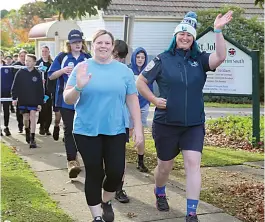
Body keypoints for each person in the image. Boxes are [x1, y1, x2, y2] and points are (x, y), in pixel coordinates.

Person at [136, 11, 233, 222]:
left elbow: (221, 57)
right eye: (182, 34)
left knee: (192, 164)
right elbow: (140, 82)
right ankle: (159, 191)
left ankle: (191, 213)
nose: (185, 38)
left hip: (193, 125)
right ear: (175, 36)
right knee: (164, 167)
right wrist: (153, 99)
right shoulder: (162, 59)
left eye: (189, 35)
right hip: (166, 125)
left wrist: (218, 31)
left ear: (193, 38)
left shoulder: (200, 60)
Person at [63, 29, 143, 222]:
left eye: (107, 43)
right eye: (99, 42)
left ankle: (106, 201)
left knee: (116, 172)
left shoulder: (124, 71)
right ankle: (97, 216)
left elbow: (132, 100)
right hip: (86, 129)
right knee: (94, 171)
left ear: (112, 46)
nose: (103, 46)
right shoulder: (82, 67)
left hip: (115, 129)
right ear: (92, 45)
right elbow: (67, 98)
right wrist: (79, 86)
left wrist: (138, 128)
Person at [48, 29, 91, 179]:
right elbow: (51, 75)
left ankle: (84, 158)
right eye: (74, 42)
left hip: (85, 101)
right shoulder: (62, 57)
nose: (77, 44)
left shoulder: (87, 58)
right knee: (69, 130)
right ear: (69, 44)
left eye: (79, 41)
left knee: (83, 130)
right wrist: (63, 70)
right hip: (66, 101)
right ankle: (72, 161)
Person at [11, 54, 44, 148]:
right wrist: (14, 98)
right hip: (23, 99)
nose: (27, 63)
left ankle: (32, 138)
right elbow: (15, 86)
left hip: (34, 99)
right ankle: (27, 130)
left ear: (34, 62)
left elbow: (40, 90)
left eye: (29, 61)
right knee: (26, 117)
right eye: (26, 61)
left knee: (33, 116)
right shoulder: (20, 72)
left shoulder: (37, 74)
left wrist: (40, 103)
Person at [112, 39, 130, 204]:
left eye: (121, 57)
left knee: (120, 157)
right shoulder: (98, 69)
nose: (118, 60)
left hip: (120, 122)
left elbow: (131, 99)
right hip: (101, 121)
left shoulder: (125, 72)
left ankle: (119, 188)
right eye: (116, 56)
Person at [128, 47, 151, 173]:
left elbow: (150, 88)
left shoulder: (148, 70)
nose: (140, 59)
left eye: (142, 57)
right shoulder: (128, 70)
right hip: (129, 105)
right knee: (129, 131)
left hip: (142, 105)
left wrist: (147, 101)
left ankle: (140, 161)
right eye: (138, 57)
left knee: (140, 132)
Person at [36, 46, 53, 136]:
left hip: (49, 89)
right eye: (43, 51)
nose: (44, 53)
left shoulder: (52, 63)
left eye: (46, 51)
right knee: (42, 109)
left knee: (49, 109)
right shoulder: (38, 63)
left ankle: (47, 128)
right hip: (40, 90)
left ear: (49, 52)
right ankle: (42, 126)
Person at [12, 49, 28, 133]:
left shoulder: (29, 65)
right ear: (19, 57)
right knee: (19, 110)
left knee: (27, 111)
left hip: (28, 91)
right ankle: (20, 126)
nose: (23, 58)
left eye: (25, 56)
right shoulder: (15, 66)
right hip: (19, 90)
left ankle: (27, 127)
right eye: (21, 56)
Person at [1, 51, 13, 136]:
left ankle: (6, 126)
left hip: (6, 92)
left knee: (6, 110)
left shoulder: (7, 67)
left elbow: (11, 80)